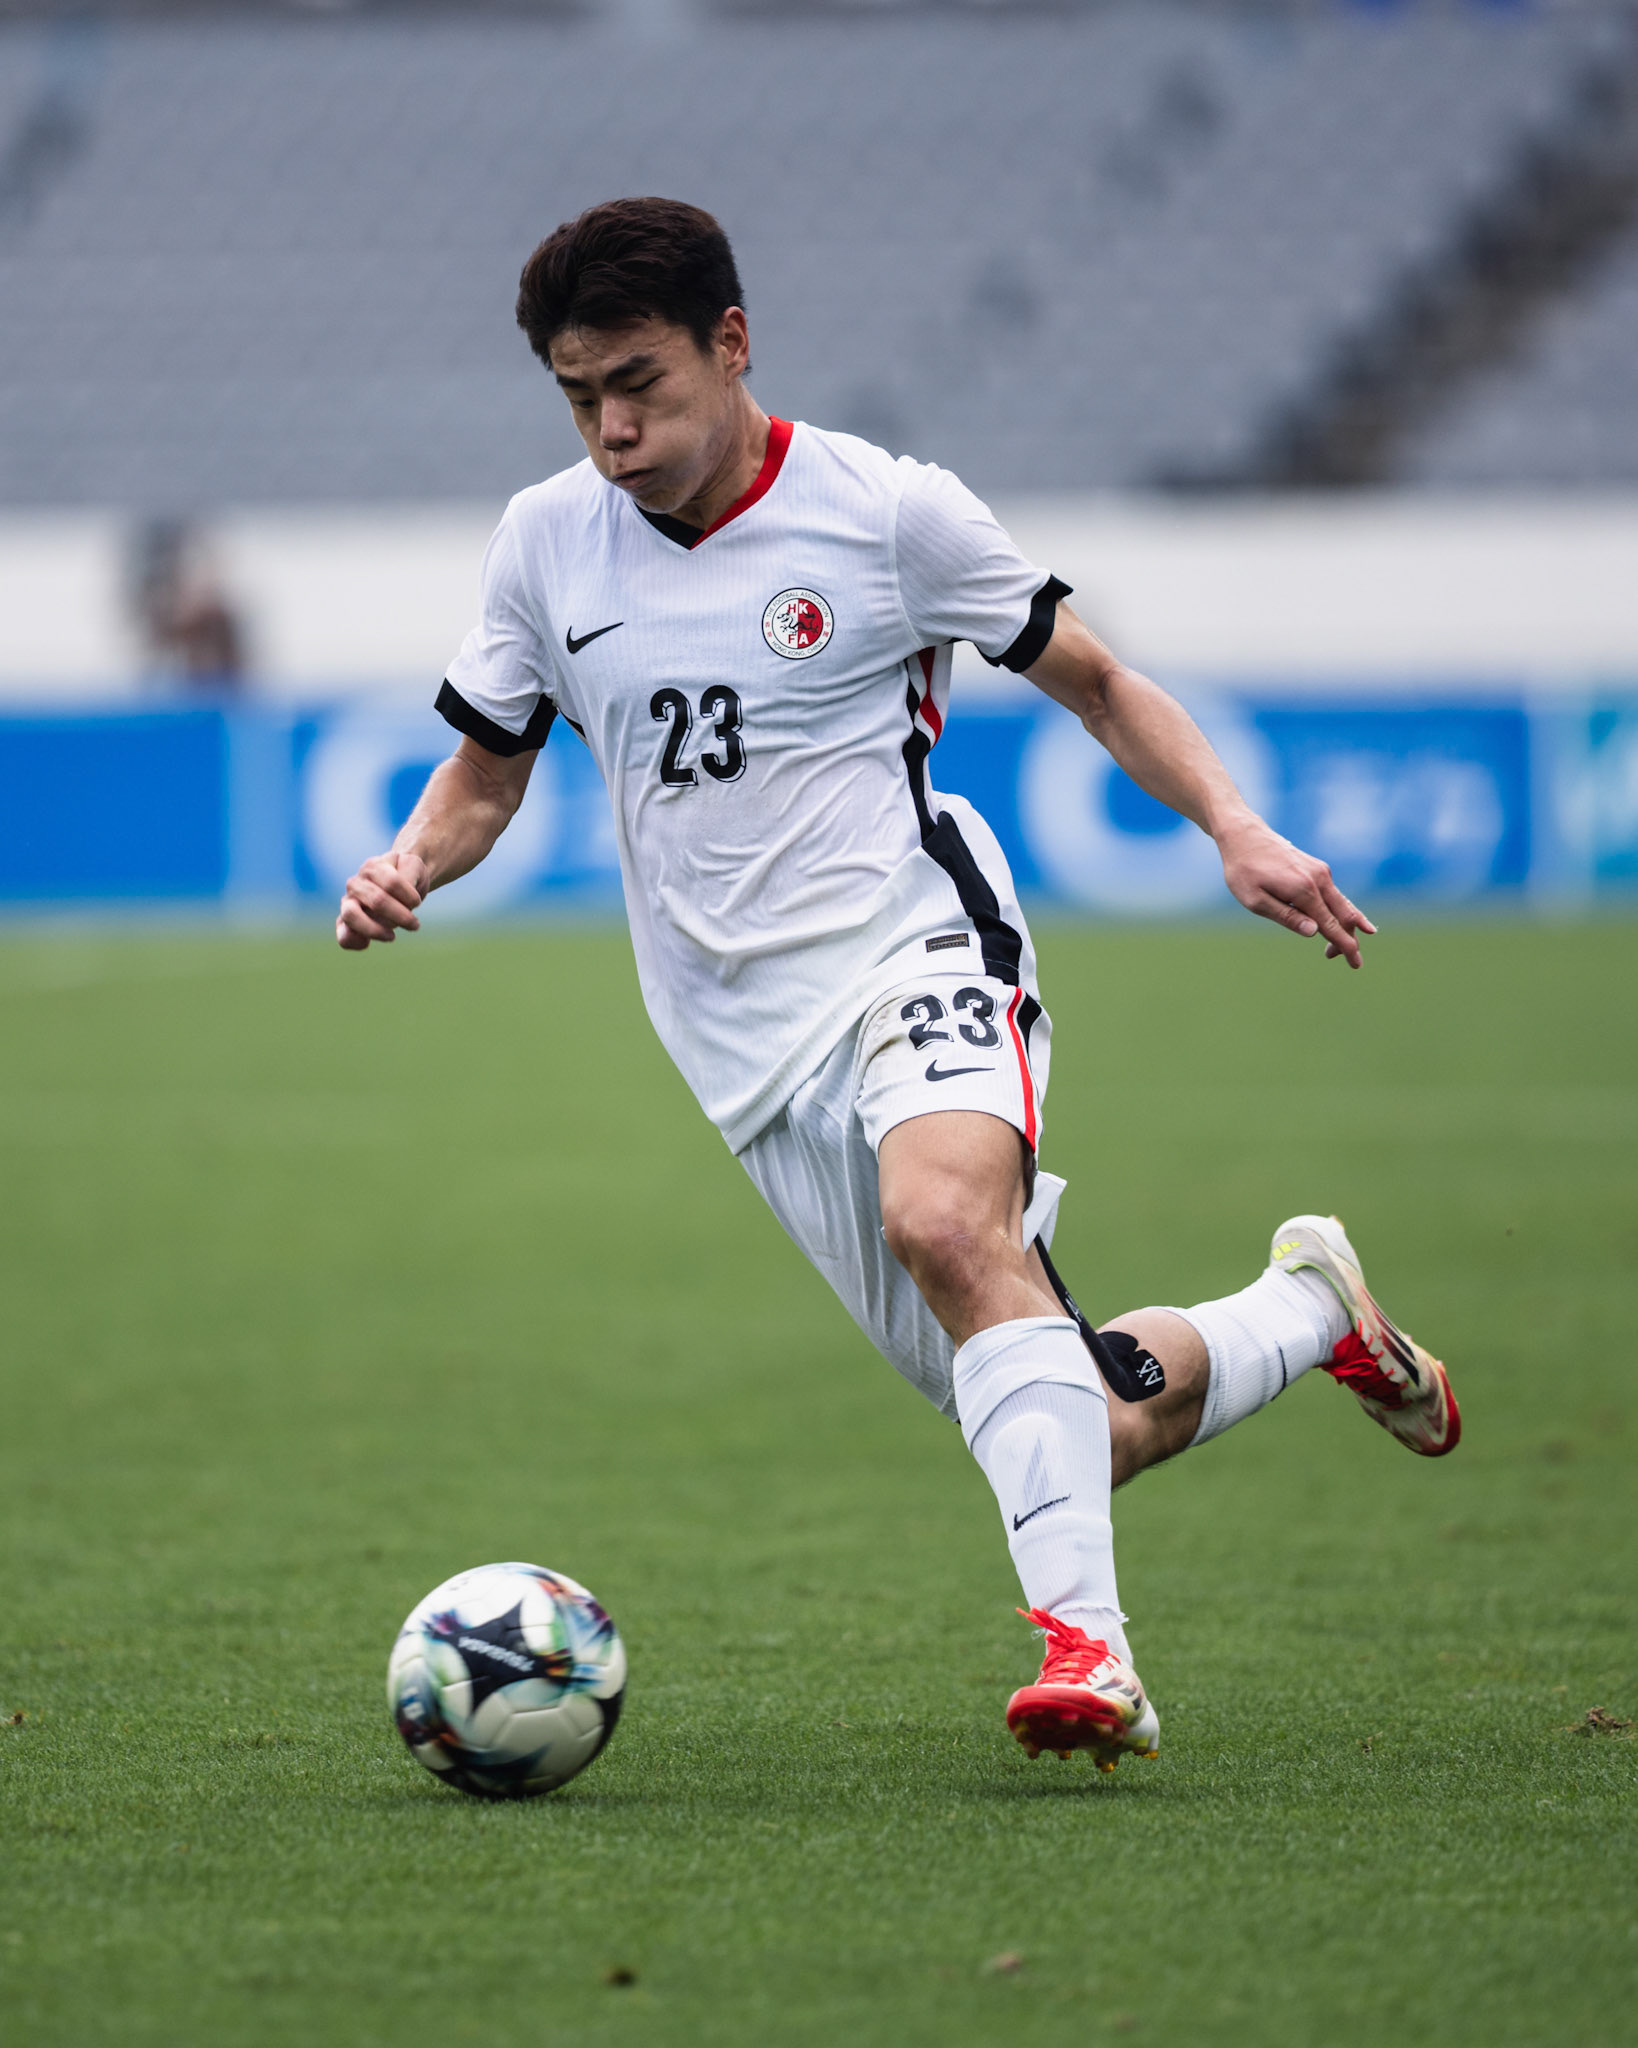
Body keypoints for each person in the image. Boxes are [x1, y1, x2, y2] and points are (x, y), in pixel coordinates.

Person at [336, 199, 1460, 1771]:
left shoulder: (883, 513)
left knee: (941, 1222)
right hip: (737, 1047)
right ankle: (1304, 1308)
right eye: (578, 394)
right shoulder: (543, 543)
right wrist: (408, 863)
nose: (611, 428)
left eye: (640, 382)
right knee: (1089, 1419)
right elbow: (480, 774)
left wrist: (1231, 825)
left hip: (913, 941)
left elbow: (1098, 679)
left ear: (733, 345)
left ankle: (1093, 1659)